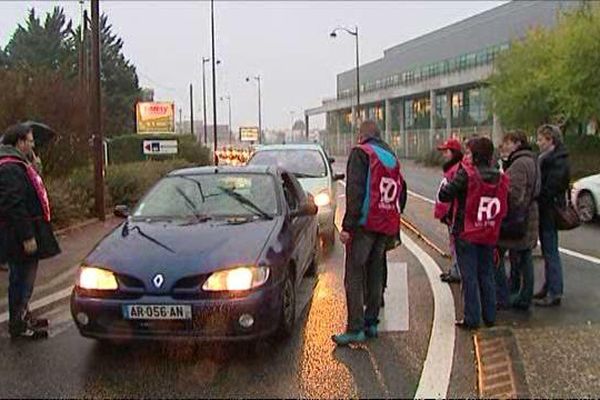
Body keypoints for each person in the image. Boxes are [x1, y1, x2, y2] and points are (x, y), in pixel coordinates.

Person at [333, 120, 403, 346]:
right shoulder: (391, 156)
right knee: (375, 273)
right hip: (385, 224)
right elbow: (402, 192)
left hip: (364, 226)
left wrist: (347, 226)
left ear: (362, 134)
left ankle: (355, 328)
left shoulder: (360, 153)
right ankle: (372, 323)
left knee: (353, 275)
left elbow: (354, 192)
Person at [438, 137, 509, 330]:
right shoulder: (500, 177)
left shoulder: (466, 174)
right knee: (486, 273)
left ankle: (471, 317)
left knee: (469, 276)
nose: (466, 156)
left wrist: (446, 186)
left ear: (476, 155)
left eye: (468, 153)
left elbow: (446, 194)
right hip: (488, 230)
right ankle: (490, 315)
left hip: (467, 231)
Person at [0, 123, 61, 340]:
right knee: (21, 278)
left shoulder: (20, 165)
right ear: (20, 142)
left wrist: (34, 167)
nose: (33, 144)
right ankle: (17, 322)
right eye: (30, 140)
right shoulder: (9, 167)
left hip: (27, 231)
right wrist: (27, 236)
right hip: (18, 236)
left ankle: (24, 313)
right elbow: (13, 205)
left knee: (27, 277)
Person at [496, 131, 540, 311]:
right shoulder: (531, 160)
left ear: (517, 143)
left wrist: (506, 212)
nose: (505, 146)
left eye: (508, 142)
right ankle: (522, 295)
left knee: (500, 253)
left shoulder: (520, 164)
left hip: (519, 217)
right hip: (529, 214)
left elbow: (515, 194)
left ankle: (510, 296)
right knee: (524, 256)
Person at [534, 124, 570, 307]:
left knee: (550, 250)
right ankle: (549, 286)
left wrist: (539, 195)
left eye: (541, 139)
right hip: (546, 209)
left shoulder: (556, 161)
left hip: (549, 210)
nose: (538, 143)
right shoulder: (548, 159)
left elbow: (552, 186)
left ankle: (555, 290)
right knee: (548, 250)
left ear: (550, 140)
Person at [434, 138, 464, 284]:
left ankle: (457, 271)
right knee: (453, 243)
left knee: (455, 243)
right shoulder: (452, 168)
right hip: (450, 214)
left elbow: (453, 193)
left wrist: (448, 213)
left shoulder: (457, 169)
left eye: (447, 151)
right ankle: (455, 269)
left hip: (453, 214)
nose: (444, 155)